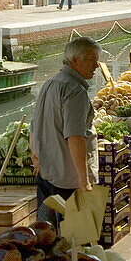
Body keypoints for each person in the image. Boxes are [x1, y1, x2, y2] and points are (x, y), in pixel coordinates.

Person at [29, 37, 100, 226]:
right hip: (69, 180)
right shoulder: (75, 90)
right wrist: (83, 181)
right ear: (75, 61)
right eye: (92, 59)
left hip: (47, 173)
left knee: (47, 232)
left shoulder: (50, 83)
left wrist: (35, 156)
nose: (97, 65)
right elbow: (75, 136)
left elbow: (34, 126)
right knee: (76, 236)